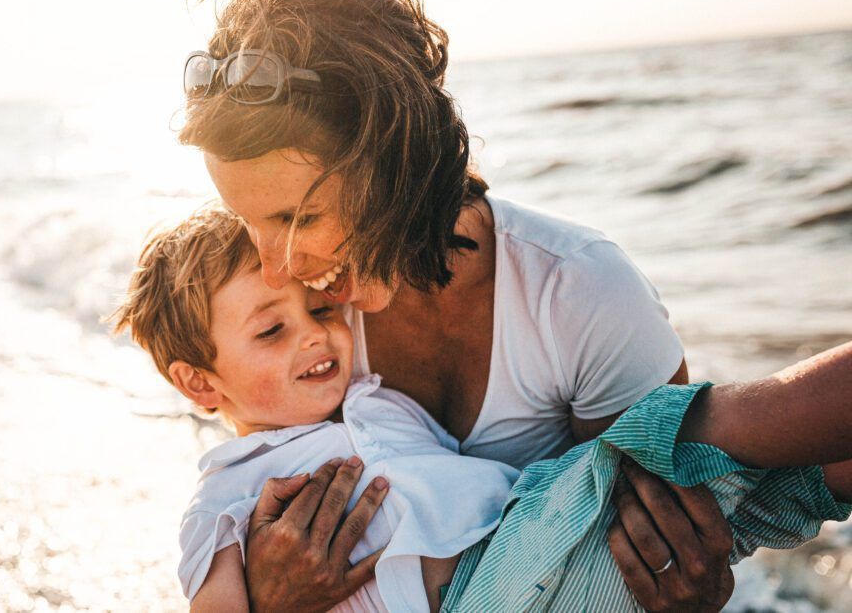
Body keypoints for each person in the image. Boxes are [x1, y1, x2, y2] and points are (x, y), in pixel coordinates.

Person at [178, 0, 734, 611]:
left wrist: (696, 590)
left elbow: (679, 542)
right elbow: (255, 491)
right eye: (247, 221)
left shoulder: (578, 292)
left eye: (295, 219)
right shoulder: (302, 321)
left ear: (394, 164)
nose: (274, 267)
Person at [110, 205, 852, 612]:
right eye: (272, 330)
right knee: (670, 443)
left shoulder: (374, 399)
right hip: (488, 593)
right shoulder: (229, 492)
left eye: (317, 306)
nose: (315, 333)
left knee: (772, 486)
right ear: (200, 384)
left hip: (530, 542)